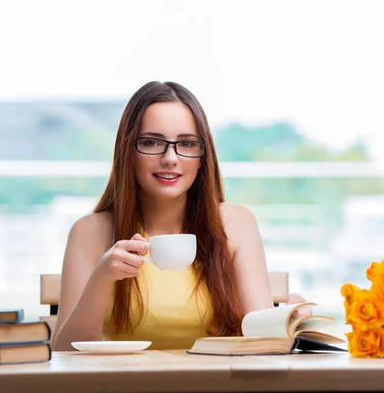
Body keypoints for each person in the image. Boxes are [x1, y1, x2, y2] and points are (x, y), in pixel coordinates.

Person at [51, 81, 311, 351]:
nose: (170, 158)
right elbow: (65, 352)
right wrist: (101, 278)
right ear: (127, 151)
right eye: (151, 142)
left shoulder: (237, 224)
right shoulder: (90, 232)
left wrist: (289, 323)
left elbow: (263, 338)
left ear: (202, 157)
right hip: (124, 389)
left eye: (186, 144)